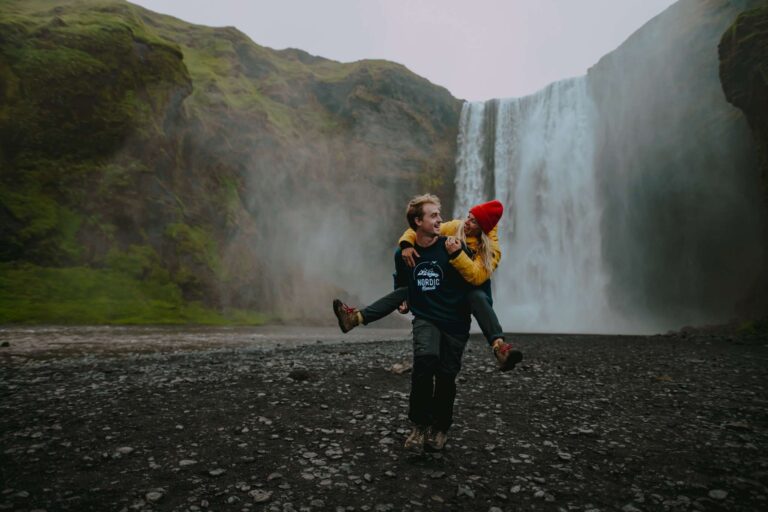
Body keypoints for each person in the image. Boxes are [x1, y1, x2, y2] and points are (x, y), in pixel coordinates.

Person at [333, 199, 522, 371]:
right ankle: (355, 318)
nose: (466, 222)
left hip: (469, 294)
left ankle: (499, 347)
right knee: (407, 290)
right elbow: (421, 229)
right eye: (468, 217)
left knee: (477, 296)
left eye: (473, 221)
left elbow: (476, 277)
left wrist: (457, 254)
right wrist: (407, 244)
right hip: (445, 287)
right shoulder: (457, 227)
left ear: (483, 227)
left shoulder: (492, 249)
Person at [392, 193, 473, 451]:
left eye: (439, 214)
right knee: (424, 366)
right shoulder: (404, 253)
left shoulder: (451, 246)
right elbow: (402, 282)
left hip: (455, 322)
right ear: (417, 221)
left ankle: (440, 428)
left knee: (447, 376)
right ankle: (418, 426)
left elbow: (475, 278)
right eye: (433, 215)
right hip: (426, 317)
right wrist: (402, 300)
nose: (440, 219)